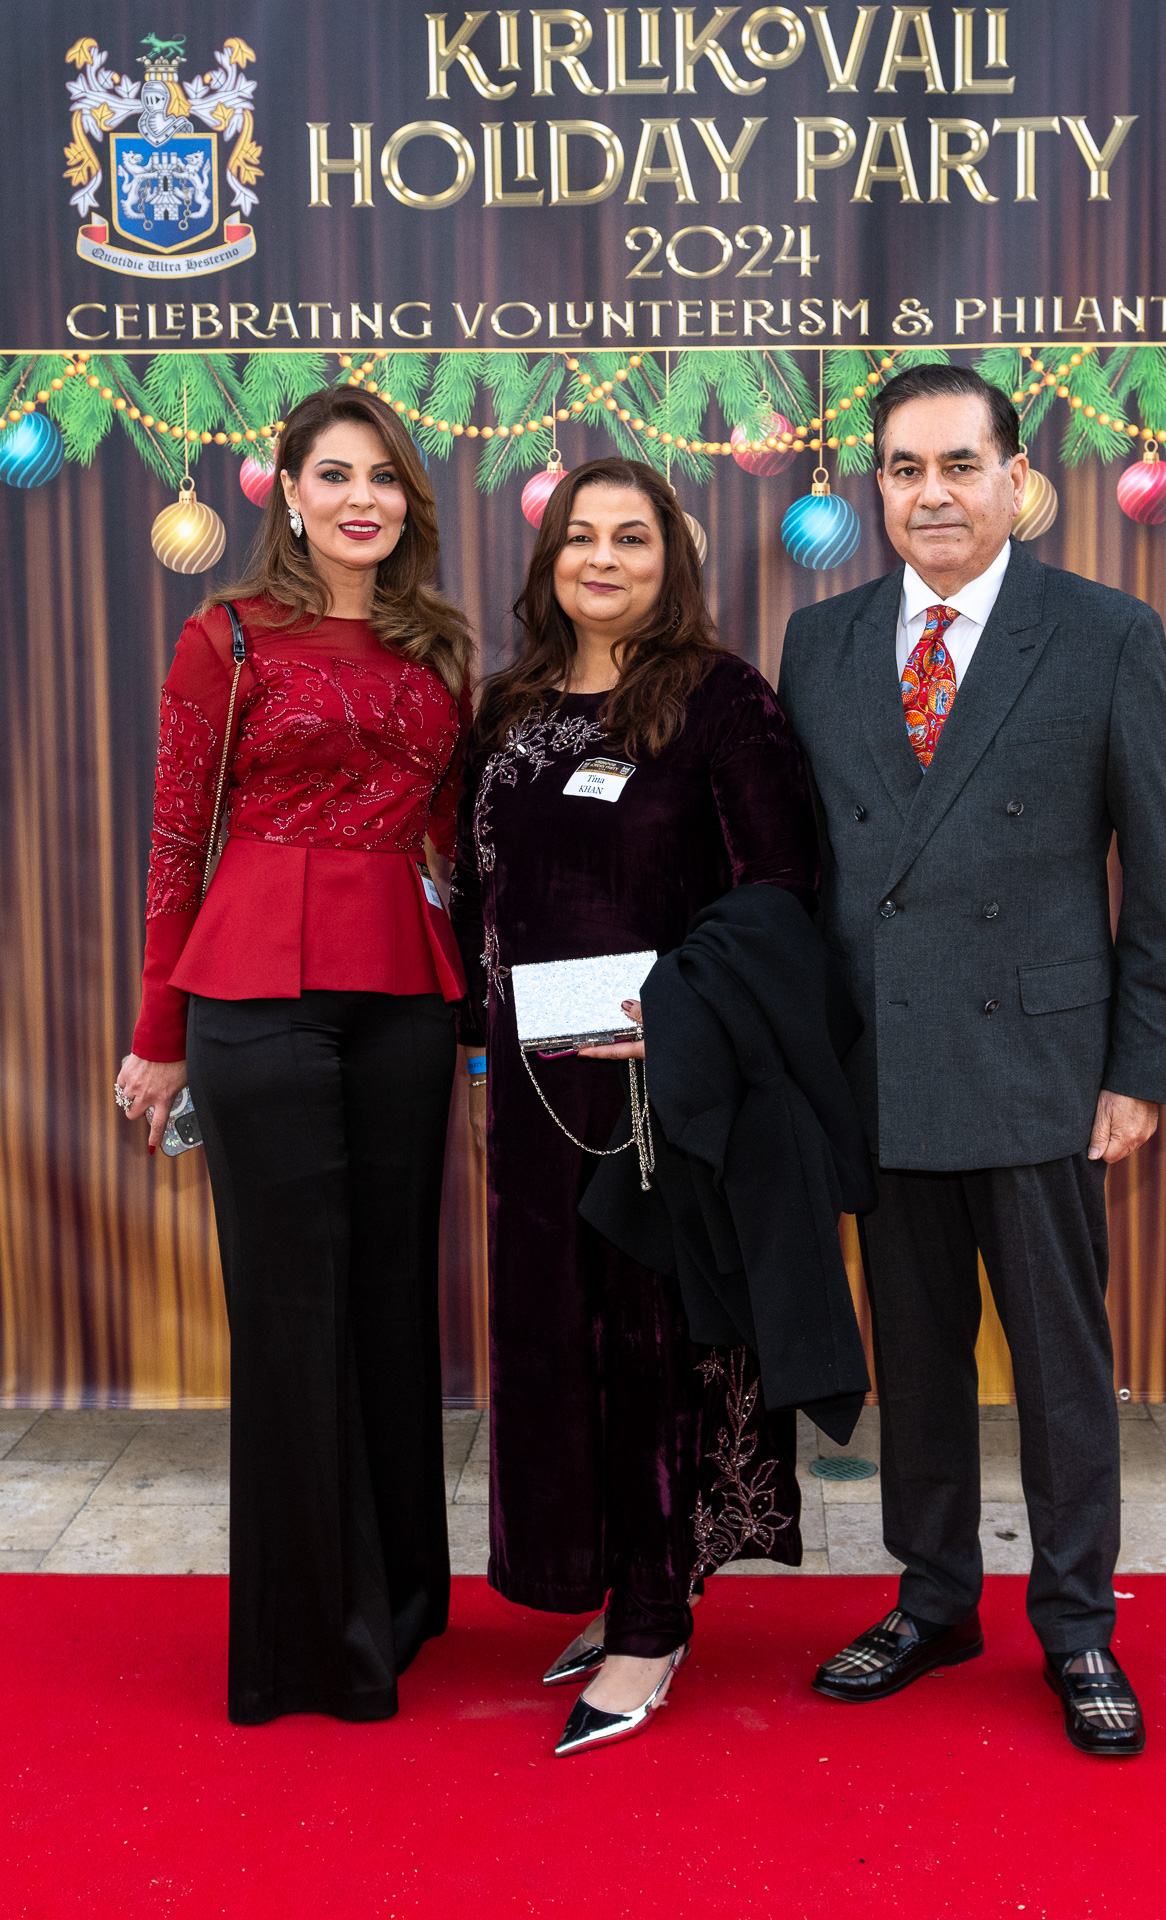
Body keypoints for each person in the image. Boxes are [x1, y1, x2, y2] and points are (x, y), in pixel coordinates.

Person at [778, 364, 1166, 1757]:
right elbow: (804, 874)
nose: (933, 494)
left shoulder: (1105, 633)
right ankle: (934, 1600)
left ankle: (1077, 1624)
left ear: (1017, 479)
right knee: (916, 1359)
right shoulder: (821, 643)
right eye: (905, 469)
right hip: (883, 1068)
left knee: (1063, 1372)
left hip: (1042, 1071)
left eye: (960, 465)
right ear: (877, 486)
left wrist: (1142, 1068)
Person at [451, 456, 820, 1757]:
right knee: (554, 1337)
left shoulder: (720, 699)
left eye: (632, 538)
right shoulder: (507, 709)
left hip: (662, 1087)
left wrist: (678, 1015)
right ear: (548, 559)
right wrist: (477, 1048)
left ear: (674, 561)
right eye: (580, 537)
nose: (602, 559)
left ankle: (655, 1621)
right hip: (531, 1087)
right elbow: (477, 893)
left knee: (651, 1338)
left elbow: (780, 886)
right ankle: (609, 1579)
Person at [114, 388, 471, 1725]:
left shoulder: (439, 648)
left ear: (408, 503)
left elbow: (455, 841)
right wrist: (158, 1033)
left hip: (405, 994)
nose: (360, 499)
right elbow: (174, 837)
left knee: (390, 1298)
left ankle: (403, 1601)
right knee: (290, 1308)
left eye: (383, 478)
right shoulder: (226, 635)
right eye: (335, 475)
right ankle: (309, 1640)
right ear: (291, 494)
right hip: (253, 987)